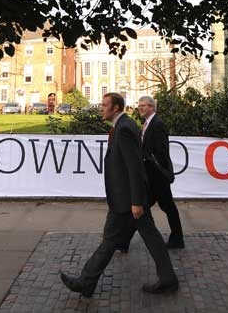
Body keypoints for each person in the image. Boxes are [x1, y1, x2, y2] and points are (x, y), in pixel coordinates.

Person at [60, 92, 178, 297]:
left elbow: (134, 167)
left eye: (104, 105)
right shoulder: (124, 125)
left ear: (115, 108)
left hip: (127, 201)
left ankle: (85, 282)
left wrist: (136, 202)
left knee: (111, 241)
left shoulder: (123, 128)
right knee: (146, 238)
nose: (101, 108)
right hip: (127, 199)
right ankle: (168, 280)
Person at [139, 95, 184, 249]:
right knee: (143, 208)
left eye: (143, 105)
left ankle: (177, 238)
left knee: (167, 207)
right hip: (151, 174)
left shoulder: (157, 124)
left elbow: (162, 152)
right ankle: (122, 239)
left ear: (152, 107)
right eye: (140, 105)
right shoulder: (146, 123)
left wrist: (158, 171)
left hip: (157, 176)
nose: (140, 107)